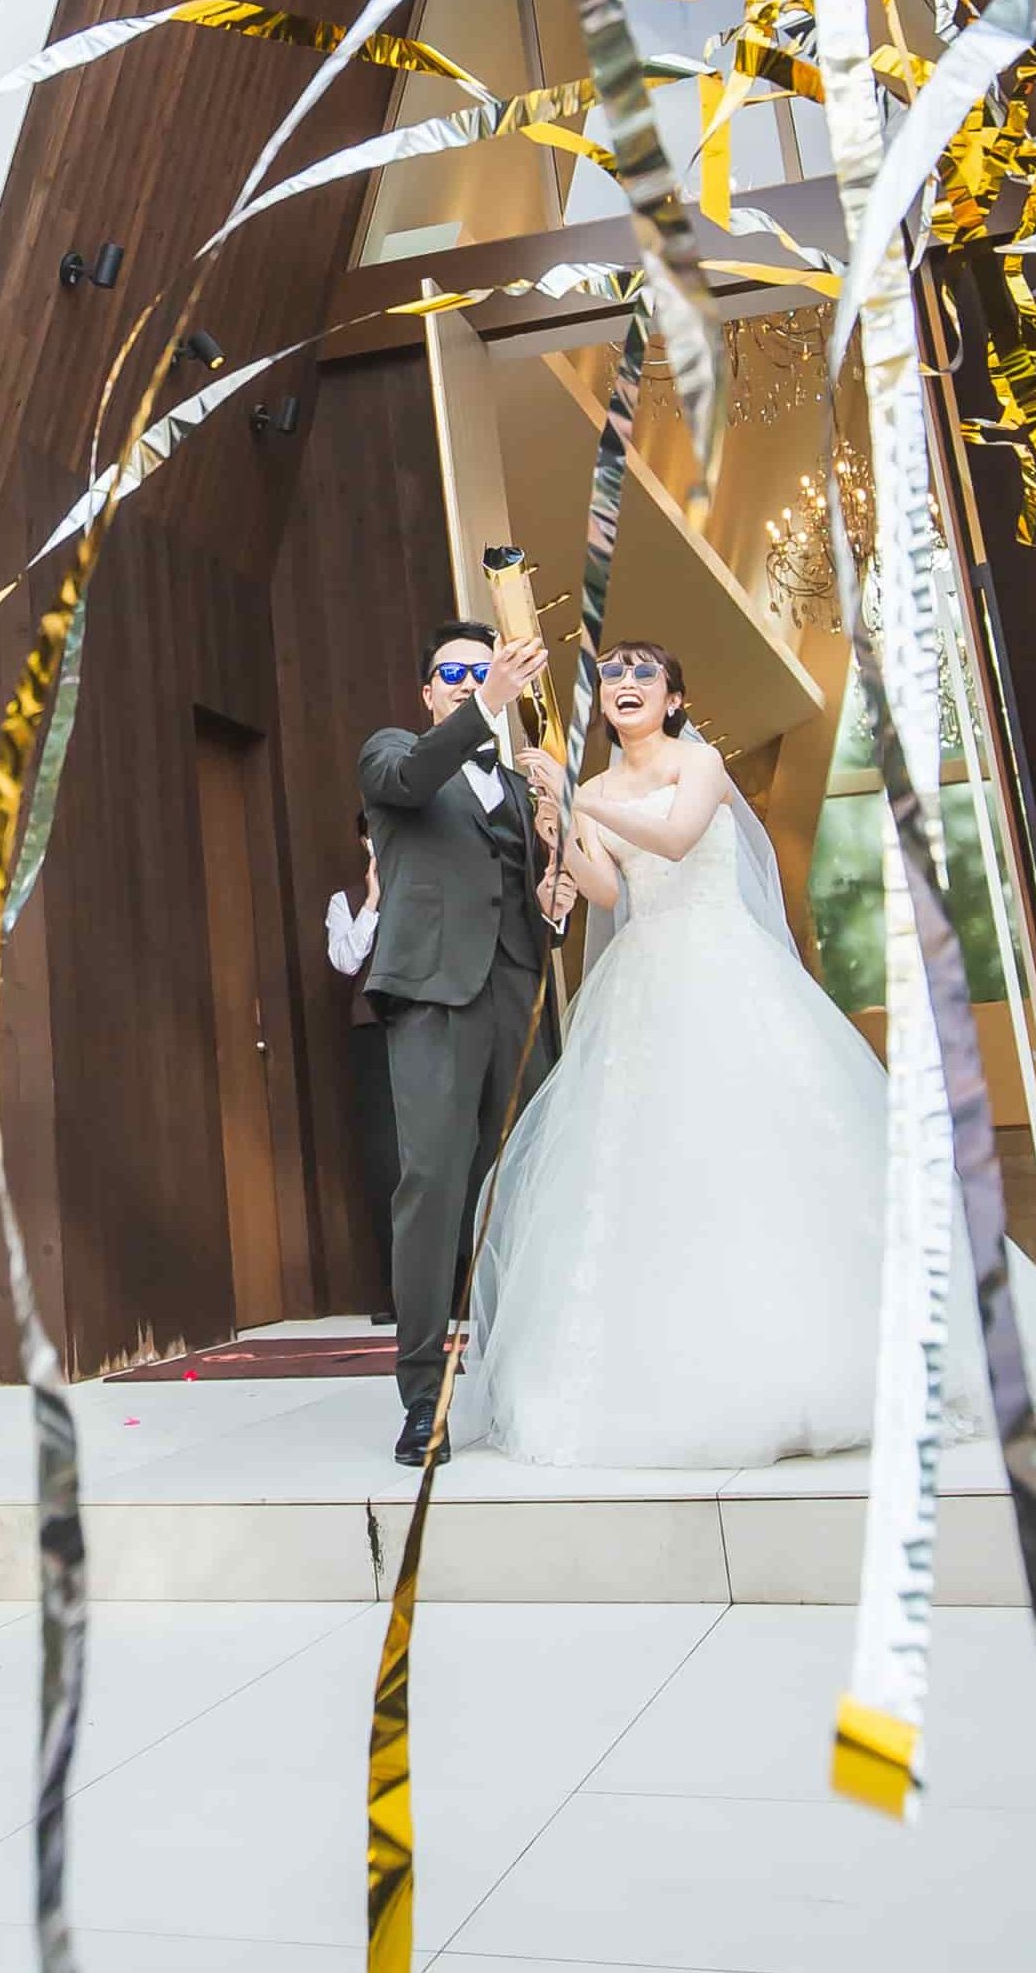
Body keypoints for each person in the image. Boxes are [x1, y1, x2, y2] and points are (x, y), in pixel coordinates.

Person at [451, 642, 1036, 1468]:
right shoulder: (600, 790)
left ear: (674, 699)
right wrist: (561, 838)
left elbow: (678, 840)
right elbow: (609, 892)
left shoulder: (700, 764)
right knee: (656, 1164)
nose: (625, 684)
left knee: (776, 1141)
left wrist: (578, 798)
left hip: (726, 968)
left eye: (644, 673)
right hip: (644, 985)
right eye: (612, 674)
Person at [358, 620, 562, 1465]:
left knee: (529, 1186)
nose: (472, 681)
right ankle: (422, 1396)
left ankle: (530, 1374)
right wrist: (490, 704)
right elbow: (411, 781)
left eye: (485, 670)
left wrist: (554, 877)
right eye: (455, 673)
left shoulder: (515, 784)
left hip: (518, 997)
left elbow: (530, 890)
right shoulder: (392, 753)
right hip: (435, 997)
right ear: (428, 691)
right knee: (434, 1188)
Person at [322, 812, 396, 1324]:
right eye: (372, 833)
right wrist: (372, 901)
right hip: (374, 1032)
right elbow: (345, 961)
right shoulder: (344, 901)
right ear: (362, 840)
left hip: (427, 1029)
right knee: (385, 1160)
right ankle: (394, 1291)